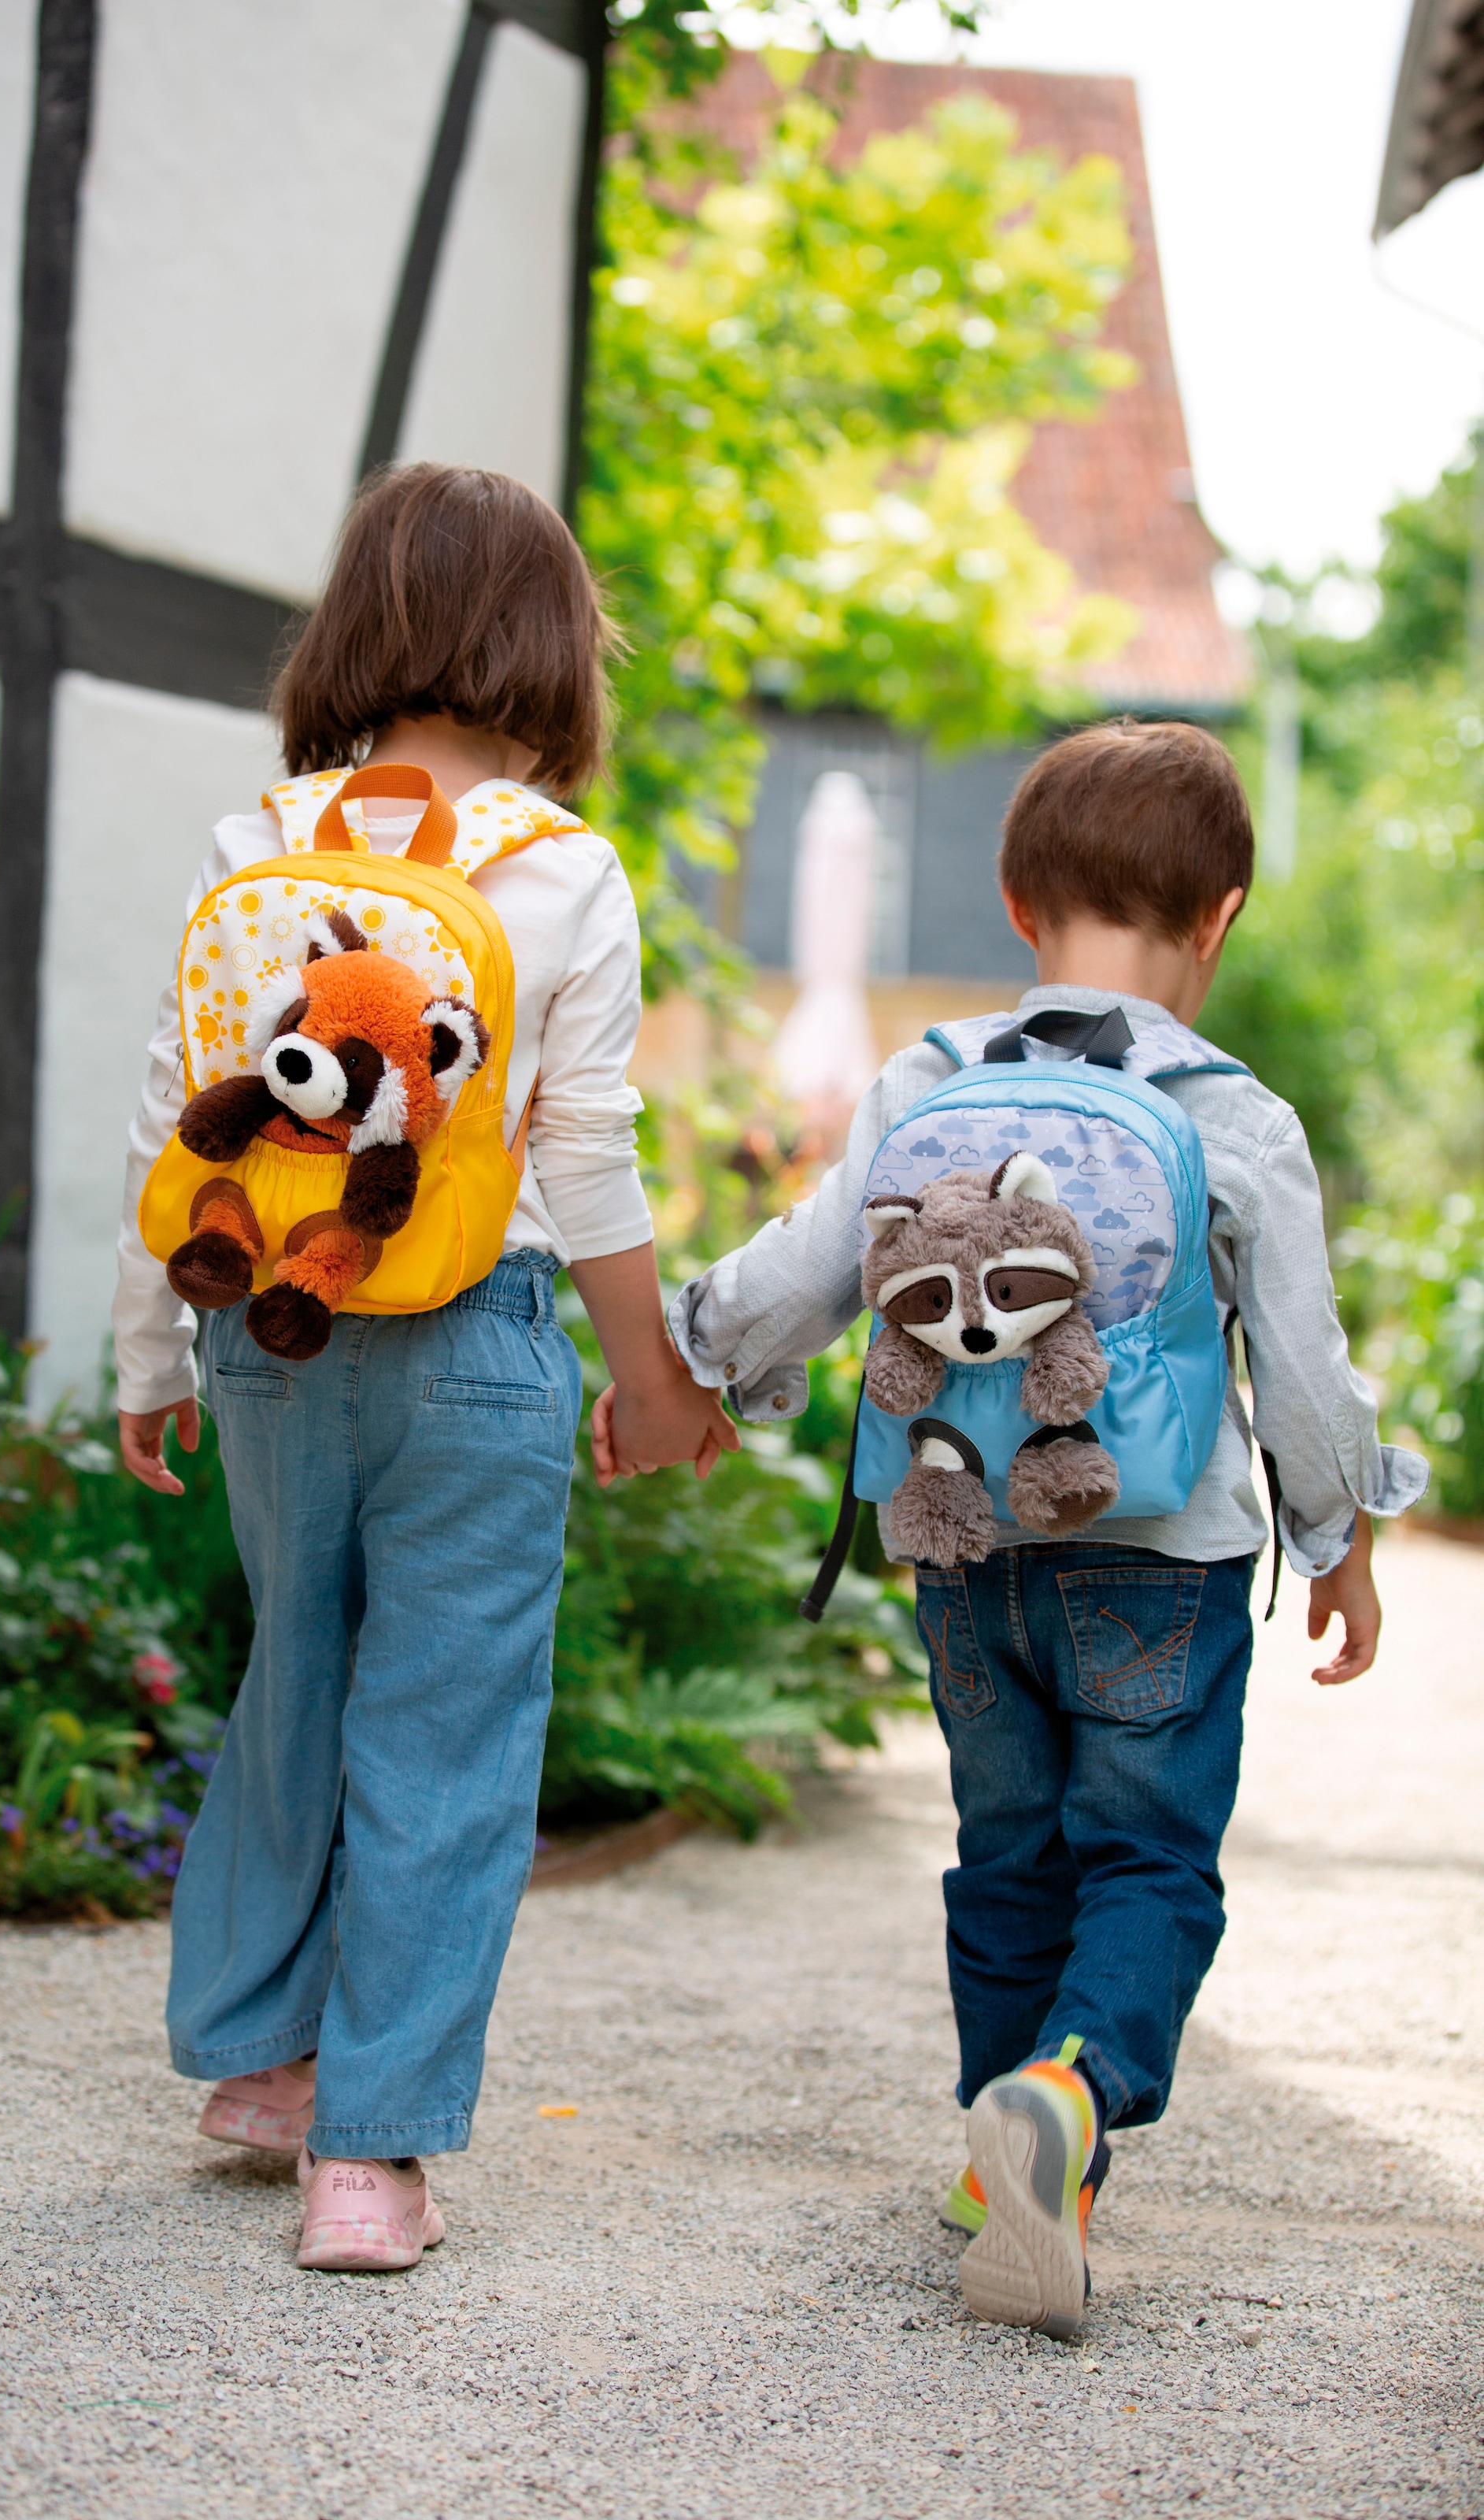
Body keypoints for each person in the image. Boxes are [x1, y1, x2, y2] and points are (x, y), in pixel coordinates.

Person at [594, 718, 1427, 2336]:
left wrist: (687, 1367)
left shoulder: (928, 1078)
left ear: (1008, 893)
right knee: (1145, 1861)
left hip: (959, 1543)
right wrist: (1339, 1538)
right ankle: (1069, 2090)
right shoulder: (1231, 1110)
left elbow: (808, 1264)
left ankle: (1003, 2148)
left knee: (1005, 1856)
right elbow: (1305, 1373)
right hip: (1160, 1562)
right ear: (1221, 914)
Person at [114, 464, 735, 2271]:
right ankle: (368, 2161)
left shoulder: (260, 847)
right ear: (553, 646)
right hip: (476, 1343)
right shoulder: (561, 871)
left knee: (293, 1675)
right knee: (447, 1734)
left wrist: (154, 1343)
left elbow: (180, 1117)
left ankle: (261, 2061)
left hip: (266, 1337)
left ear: (353, 630)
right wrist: (649, 1377)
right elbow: (591, 1149)